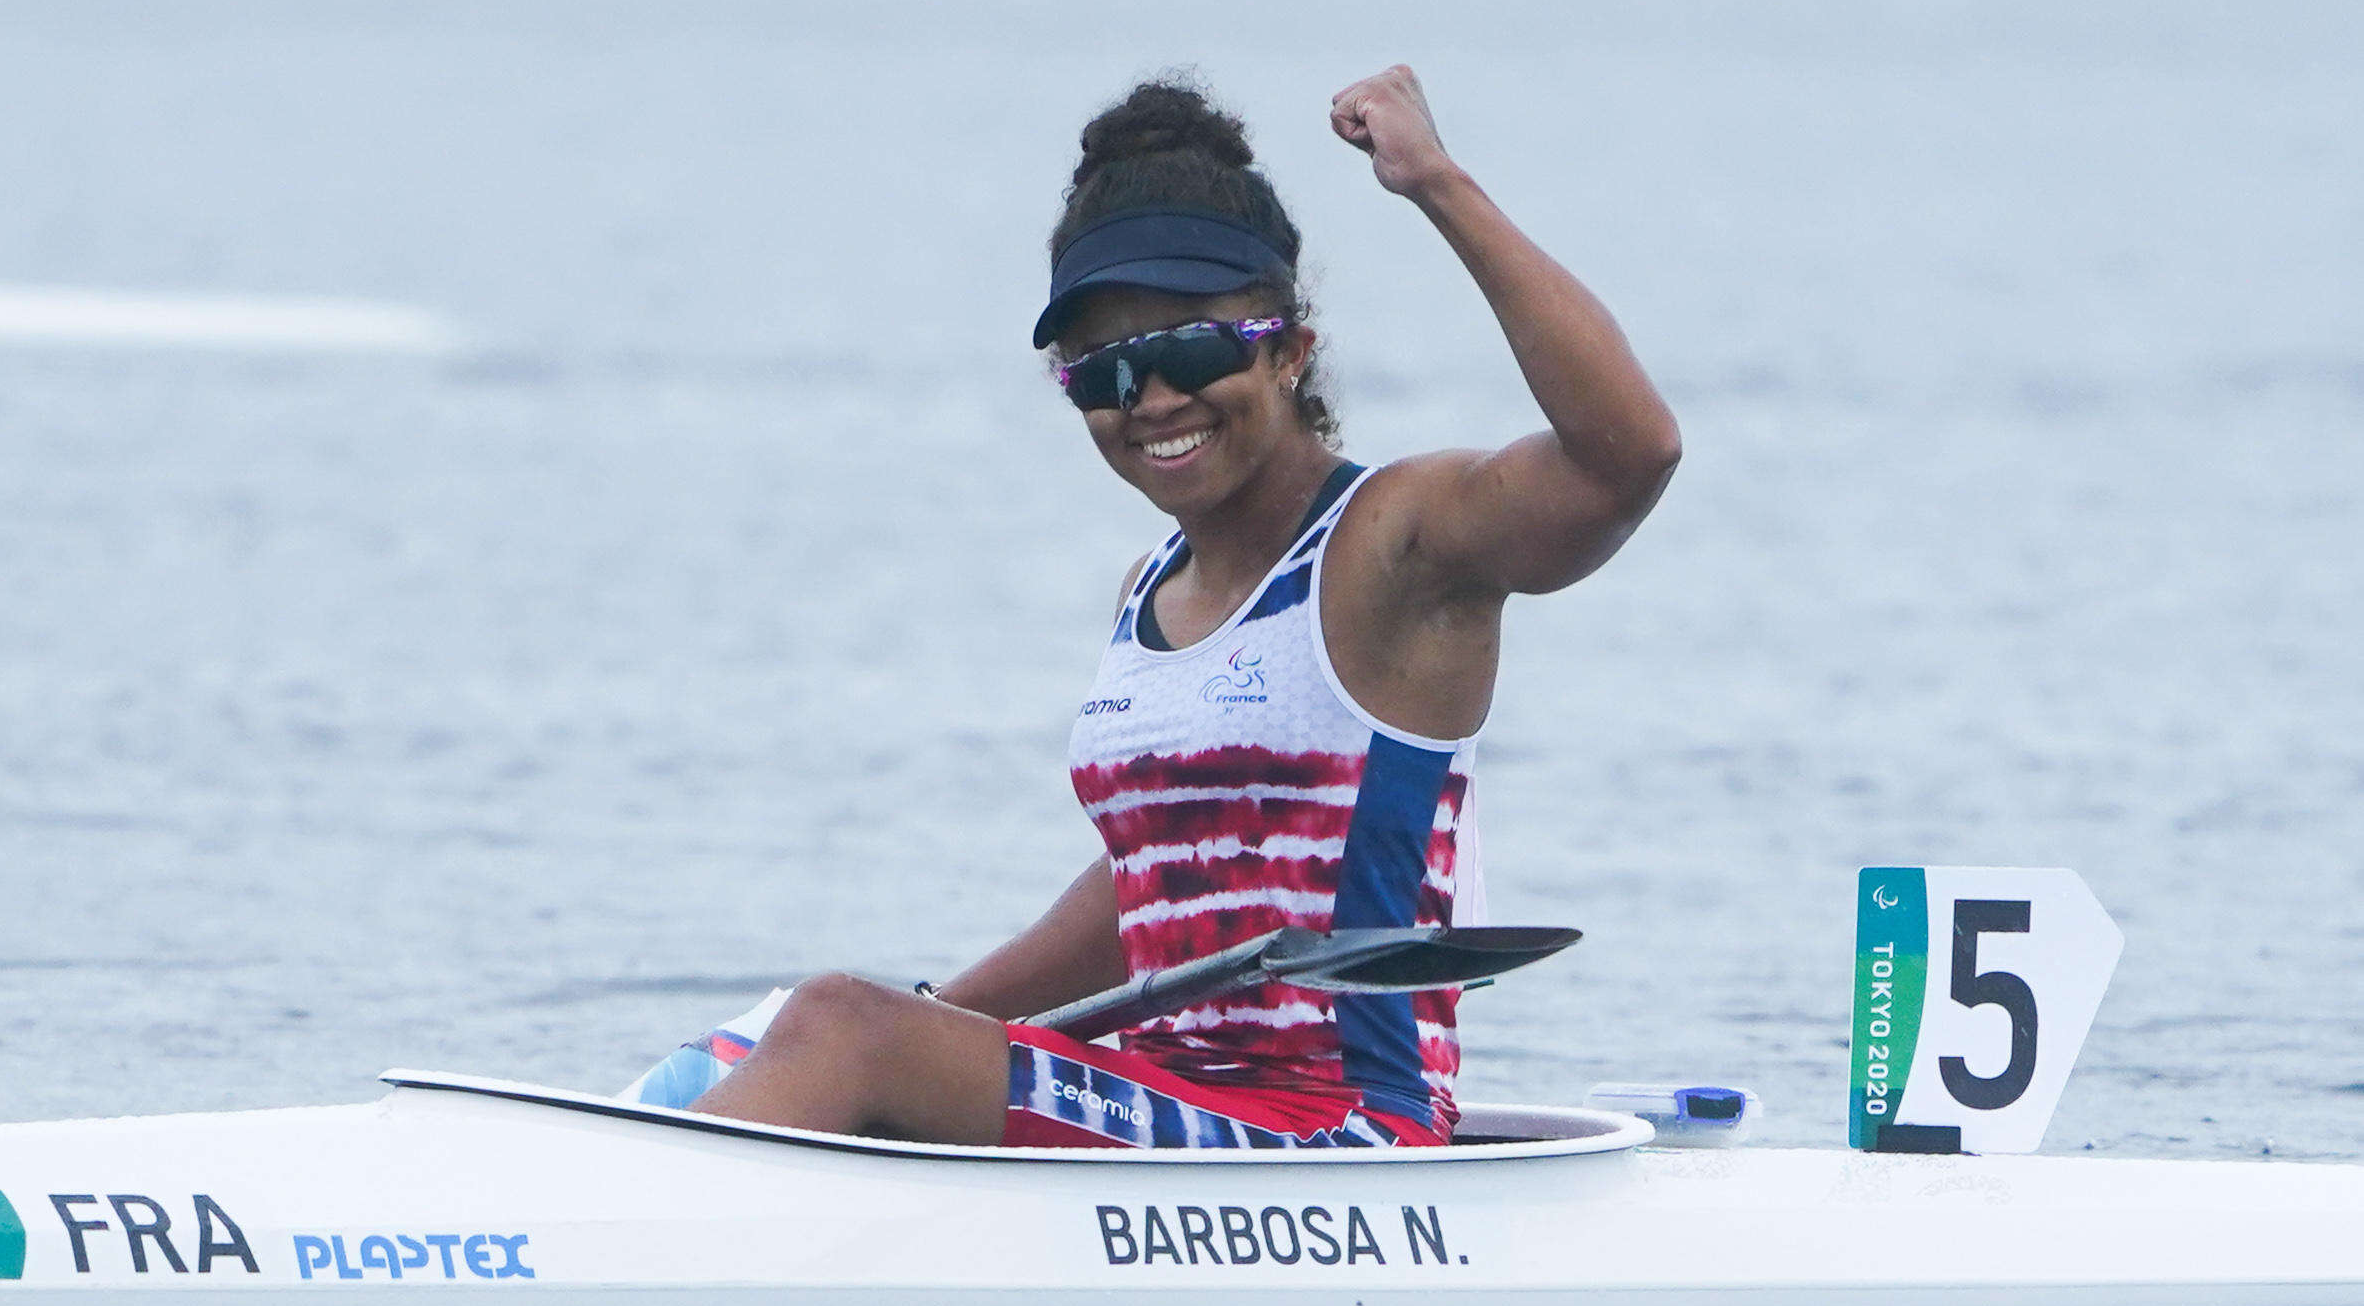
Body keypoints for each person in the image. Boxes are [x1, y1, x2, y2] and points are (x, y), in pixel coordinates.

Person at [678, 65, 1679, 1147]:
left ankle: (620, 1244)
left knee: (836, 1026)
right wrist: (933, 1026)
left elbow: (1626, 456)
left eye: (1189, 350)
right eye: (1102, 374)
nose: (1150, 400)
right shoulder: (1149, 590)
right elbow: (1151, 888)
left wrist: (1436, 184)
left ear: (1289, 353)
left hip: (1338, 1137)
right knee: (764, 1035)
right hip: (1167, 1106)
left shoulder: (1398, 544)